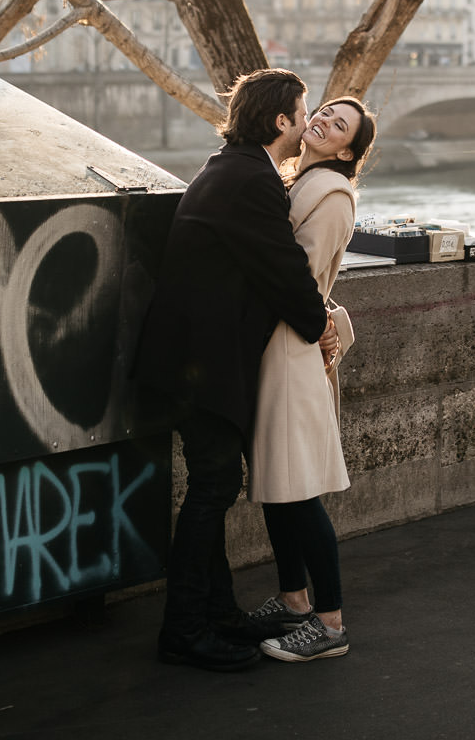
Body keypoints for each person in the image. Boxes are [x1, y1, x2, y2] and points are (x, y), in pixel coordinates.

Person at [134, 68, 331, 671]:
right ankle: (186, 629)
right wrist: (323, 327)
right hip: (202, 367)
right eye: (302, 113)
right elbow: (287, 276)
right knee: (212, 490)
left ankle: (215, 615)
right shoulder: (252, 180)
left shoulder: (231, 166)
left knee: (212, 488)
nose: (306, 124)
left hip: (190, 361)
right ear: (281, 122)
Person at [245, 97, 376, 664]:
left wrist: (321, 319)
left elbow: (298, 277)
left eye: (338, 124)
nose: (322, 120)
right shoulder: (301, 182)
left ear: (347, 150)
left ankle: (330, 623)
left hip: (290, 353)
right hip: (277, 346)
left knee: (297, 492)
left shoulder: (331, 196)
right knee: (278, 487)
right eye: (322, 111)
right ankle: (294, 600)